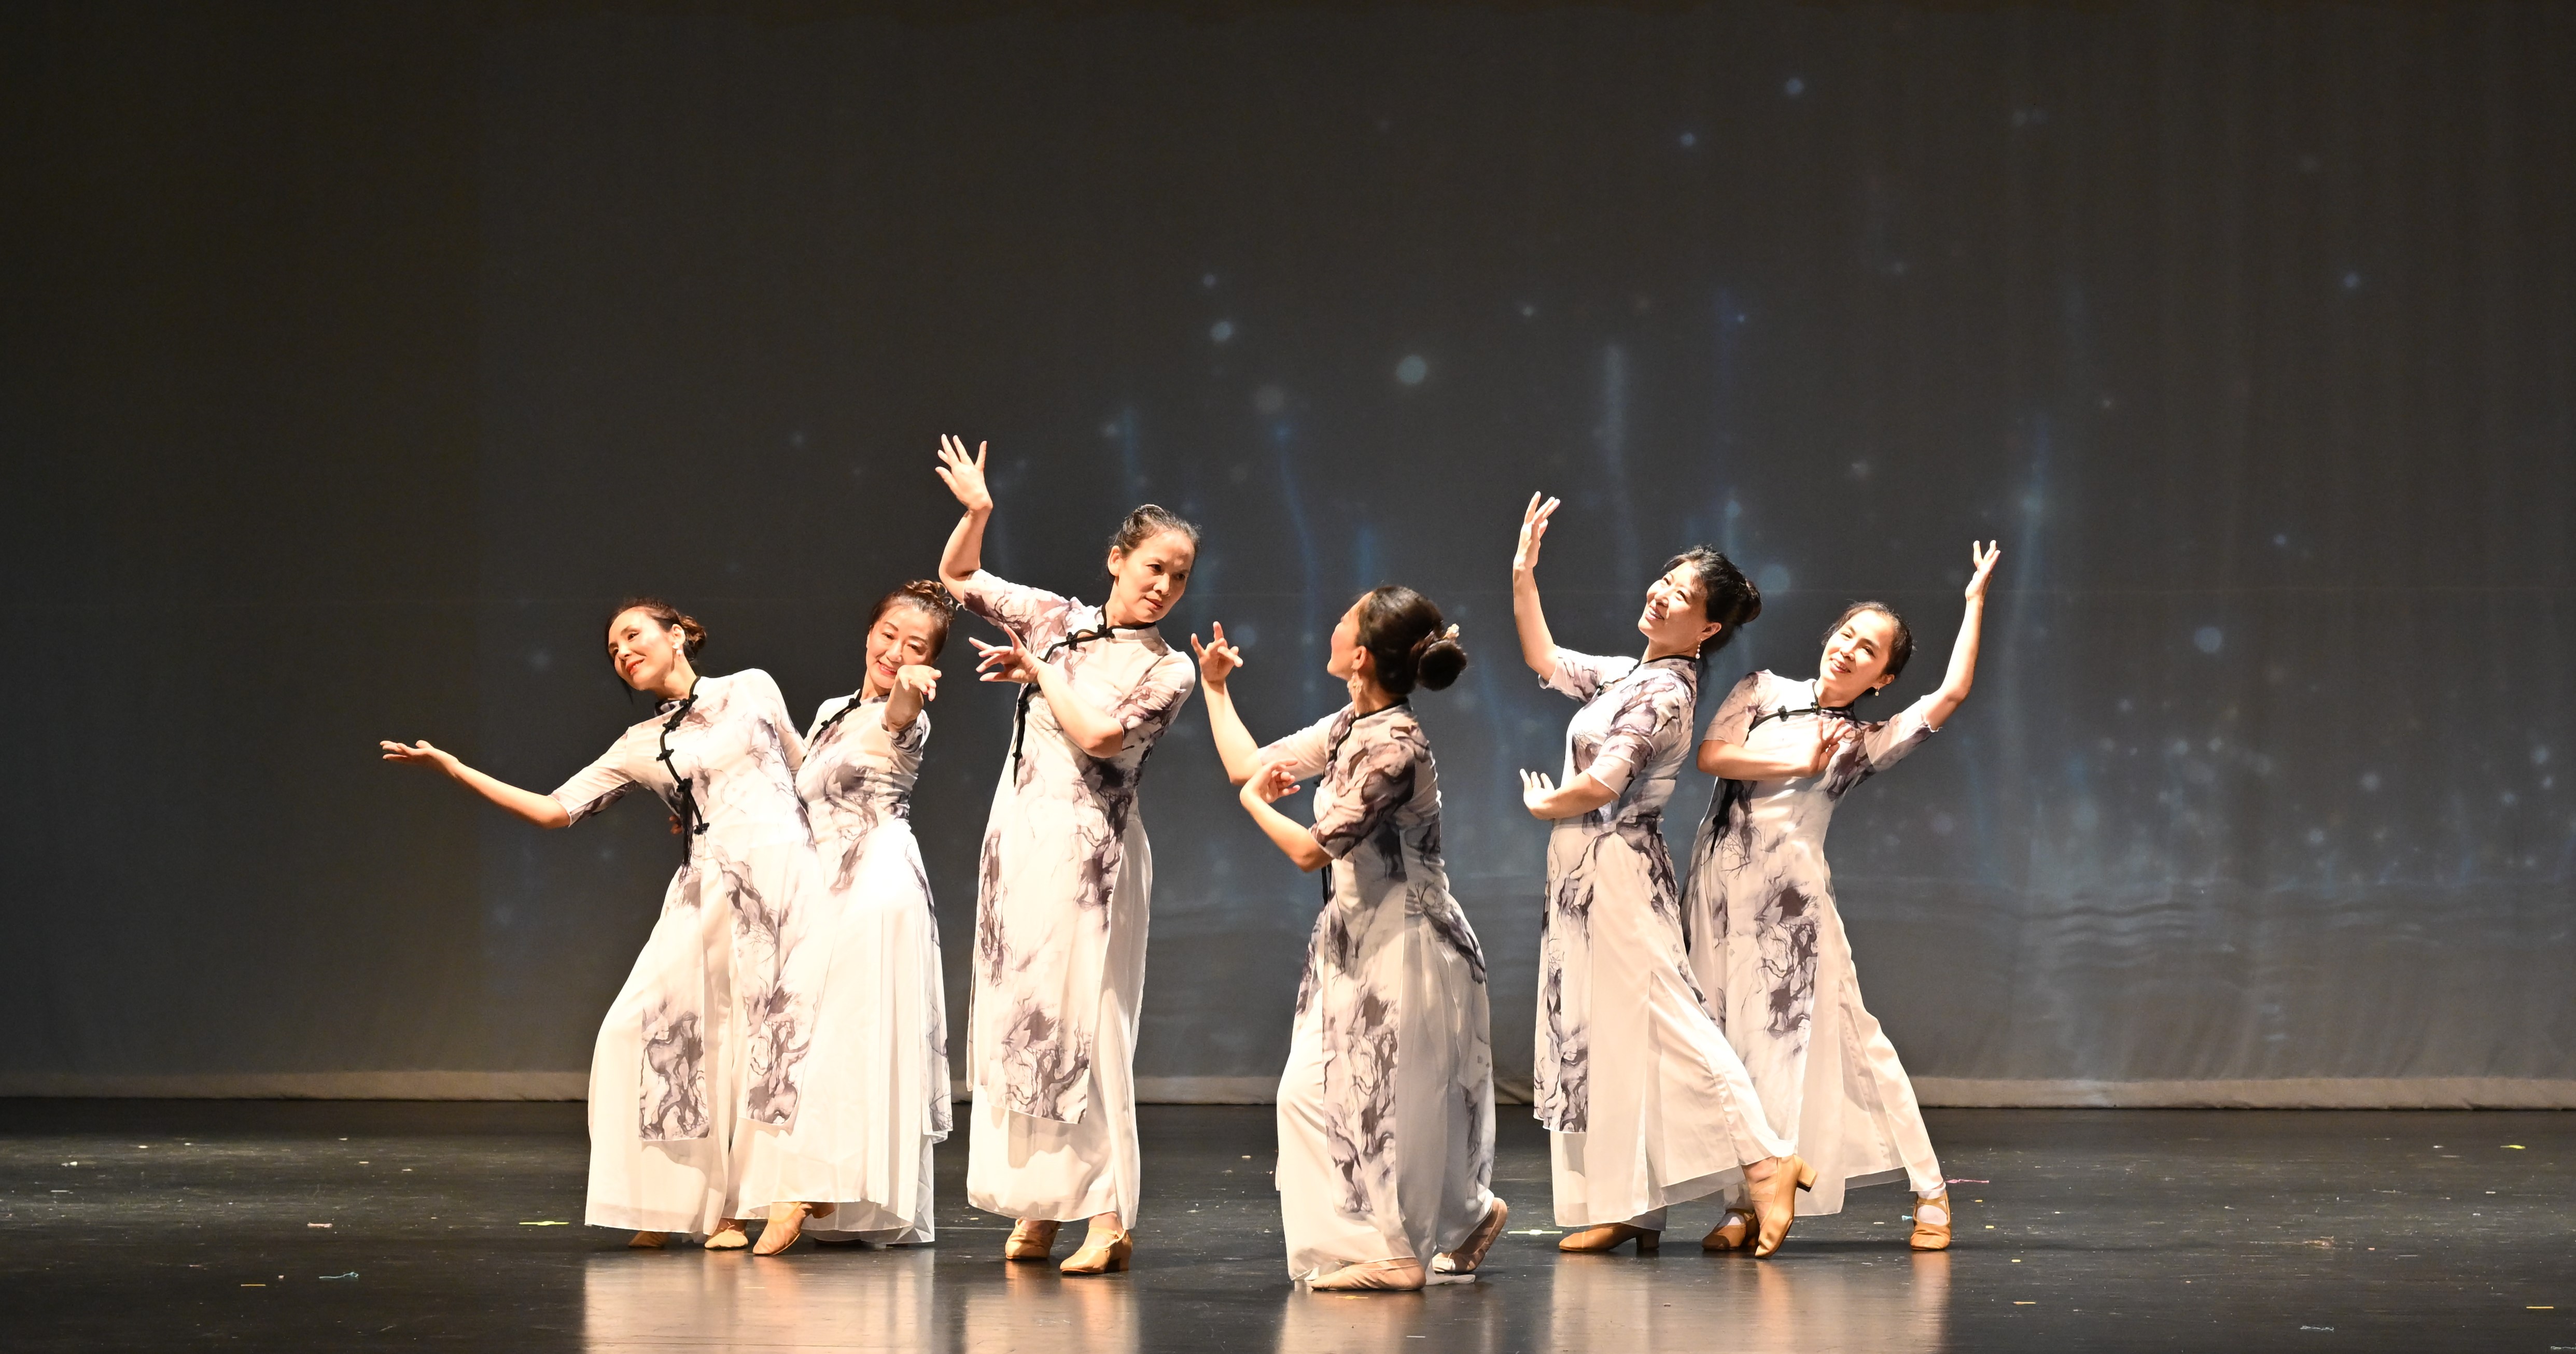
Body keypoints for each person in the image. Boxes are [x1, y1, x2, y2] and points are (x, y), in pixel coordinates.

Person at [381, 599, 824, 1250]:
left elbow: (806, 768)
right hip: (703, 886)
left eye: (633, 635)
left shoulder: (750, 686)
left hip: (782, 871)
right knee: (646, 1030)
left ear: (678, 636)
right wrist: (455, 769)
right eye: (613, 649)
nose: (622, 652)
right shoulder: (638, 743)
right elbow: (555, 809)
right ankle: (689, 1201)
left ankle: (781, 1193)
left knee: (772, 1032)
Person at [1509, 493, 1814, 1258]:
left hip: (1618, 871)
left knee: (1666, 1021)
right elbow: (1545, 658)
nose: (1661, 595)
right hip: (1584, 869)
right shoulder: (1626, 674)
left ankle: (1766, 1160)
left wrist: (1546, 803)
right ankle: (1630, 1205)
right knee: (1604, 1035)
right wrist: (1523, 572)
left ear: (1707, 628)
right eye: (1665, 582)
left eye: (1682, 596)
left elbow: (1602, 784)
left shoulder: (1665, 693)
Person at [1682, 541, 2000, 1252]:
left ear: (1882, 678)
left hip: (1794, 912)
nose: (1850, 650)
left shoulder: (1863, 741)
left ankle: (1930, 1190)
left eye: (1869, 650)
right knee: (1734, 1049)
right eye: (1848, 634)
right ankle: (1743, 1201)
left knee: (1857, 1041)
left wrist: (1974, 603)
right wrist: (1795, 758)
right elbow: (1713, 756)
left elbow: (1949, 696)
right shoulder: (1762, 689)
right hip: (1718, 896)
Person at [934, 435, 1201, 1275]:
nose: (1163, 585)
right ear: (1117, 560)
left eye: (1179, 576)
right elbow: (958, 579)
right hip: (1019, 838)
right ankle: (1040, 1205)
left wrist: (1039, 672)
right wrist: (978, 513)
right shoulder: (1054, 616)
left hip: (1093, 858)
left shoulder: (1170, 669)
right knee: (1022, 1019)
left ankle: (1107, 1212)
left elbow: (1101, 735)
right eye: (1153, 567)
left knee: (1086, 1024)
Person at [1197, 590, 1508, 1292]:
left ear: (1361, 655)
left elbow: (1310, 850)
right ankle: (1469, 1213)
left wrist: (1253, 804)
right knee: (1326, 1094)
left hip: (1407, 941)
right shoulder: (1349, 725)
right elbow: (1250, 763)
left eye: (1345, 619)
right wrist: (1216, 688)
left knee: (1378, 1099)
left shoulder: (1394, 748)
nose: (1333, 625)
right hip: (1356, 935)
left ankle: (1396, 1253)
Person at [736, 582, 958, 1253]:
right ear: (869, 632)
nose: (896, 652)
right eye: (889, 635)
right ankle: (826, 1183)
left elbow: (899, 713)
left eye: (916, 646)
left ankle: (806, 1188)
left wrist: (911, 687)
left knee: (847, 1032)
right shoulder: (833, 711)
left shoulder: (909, 717)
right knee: (806, 1032)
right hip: (823, 884)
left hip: (876, 879)